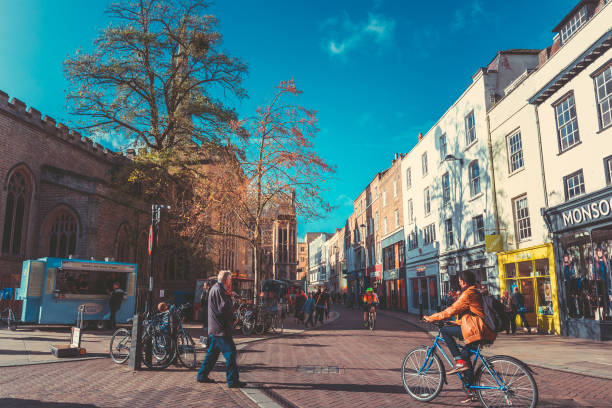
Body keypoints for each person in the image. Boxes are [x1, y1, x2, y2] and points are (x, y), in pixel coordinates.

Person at [423, 270, 496, 387]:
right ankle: (470, 390)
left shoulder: (468, 294)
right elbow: (471, 316)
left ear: (464, 282)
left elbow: (451, 310)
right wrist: (452, 322)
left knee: (445, 331)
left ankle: (459, 361)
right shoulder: (476, 292)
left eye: (460, 282)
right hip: (482, 329)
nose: (460, 284)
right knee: (466, 356)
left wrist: (432, 318)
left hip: (478, 330)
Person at [196, 270, 247, 388]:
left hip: (215, 328)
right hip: (220, 329)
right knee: (231, 353)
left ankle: (202, 375)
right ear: (226, 280)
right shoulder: (219, 290)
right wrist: (232, 306)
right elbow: (224, 307)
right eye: (230, 279)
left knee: (212, 354)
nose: (231, 281)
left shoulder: (216, 288)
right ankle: (232, 380)